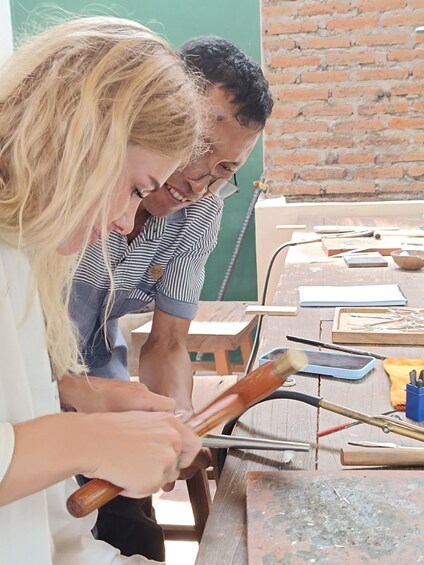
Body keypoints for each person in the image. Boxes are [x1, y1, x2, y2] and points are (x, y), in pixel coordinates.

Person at [0, 16, 205, 565]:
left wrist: (84, 397)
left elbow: (44, 527)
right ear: (82, 136)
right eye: (137, 189)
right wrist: (87, 441)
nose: (124, 221)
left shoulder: (21, 255)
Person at [62, 36, 274, 559]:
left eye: (225, 170)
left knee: (136, 533)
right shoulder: (74, 193)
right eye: (199, 149)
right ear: (158, 110)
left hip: (99, 389)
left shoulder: (198, 214)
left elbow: (167, 344)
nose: (199, 182)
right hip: (29, 395)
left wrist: (180, 421)